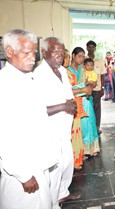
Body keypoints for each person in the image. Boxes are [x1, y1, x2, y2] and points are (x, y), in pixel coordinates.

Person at [0, 29, 57, 209]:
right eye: (26, 53)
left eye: (34, 52)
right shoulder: (6, 84)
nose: (32, 57)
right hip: (23, 174)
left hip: (38, 165)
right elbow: (4, 136)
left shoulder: (27, 79)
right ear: (10, 52)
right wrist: (23, 174)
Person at [34, 37, 80, 208]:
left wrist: (71, 104)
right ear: (44, 52)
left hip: (64, 128)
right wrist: (64, 106)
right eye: (56, 52)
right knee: (54, 171)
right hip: (50, 132)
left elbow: (67, 94)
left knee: (67, 164)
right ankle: (53, 204)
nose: (60, 56)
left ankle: (62, 193)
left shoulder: (61, 70)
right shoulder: (39, 75)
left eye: (62, 52)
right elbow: (36, 109)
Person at [67, 47, 93, 170]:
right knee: (73, 131)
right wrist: (82, 88)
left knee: (82, 128)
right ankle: (73, 158)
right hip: (71, 102)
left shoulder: (82, 70)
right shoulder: (67, 70)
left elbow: (85, 82)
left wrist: (87, 87)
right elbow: (67, 90)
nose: (82, 59)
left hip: (83, 100)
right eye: (79, 56)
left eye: (83, 56)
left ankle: (80, 154)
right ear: (73, 56)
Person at [81, 58, 100, 156]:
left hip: (88, 97)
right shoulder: (82, 72)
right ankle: (84, 148)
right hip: (81, 98)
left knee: (90, 120)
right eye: (87, 65)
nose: (90, 67)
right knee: (84, 123)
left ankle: (91, 147)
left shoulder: (93, 73)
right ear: (84, 65)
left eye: (91, 65)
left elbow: (92, 83)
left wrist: (88, 83)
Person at [86, 40, 106, 134]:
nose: (91, 49)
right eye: (89, 47)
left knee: (97, 109)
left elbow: (102, 75)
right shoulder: (83, 60)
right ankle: (88, 128)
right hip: (85, 89)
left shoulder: (100, 61)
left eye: (92, 47)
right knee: (87, 108)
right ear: (87, 48)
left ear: (95, 48)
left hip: (97, 88)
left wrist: (102, 88)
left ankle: (97, 127)